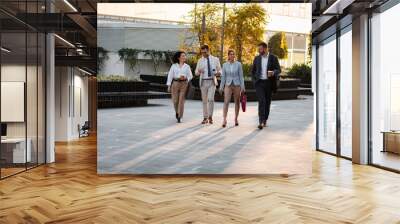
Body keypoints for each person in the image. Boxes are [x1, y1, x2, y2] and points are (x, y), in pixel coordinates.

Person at [251, 42, 281, 130]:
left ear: (265, 49)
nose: (259, 51)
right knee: (262, 101)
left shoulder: (273, 58)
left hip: (269, 83)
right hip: (259, 83)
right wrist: (254, 81)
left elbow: (279, 69)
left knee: (267, 103)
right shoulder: (256, 58)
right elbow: (253, 71)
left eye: (260, 49)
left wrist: (273, 72)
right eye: (258, 49)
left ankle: (265, 119)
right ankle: (261, 121)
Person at [195, 44, 222, 124]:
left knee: (211, 99)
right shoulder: (200, 60)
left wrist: (218, 73)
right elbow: (196, 72)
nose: (203, 54)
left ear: (208, 51)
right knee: (204, 101)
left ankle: (210, 116)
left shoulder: (215, 59)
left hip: (212, 81)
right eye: (202, 53)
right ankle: (205, 117)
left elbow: (220, 70)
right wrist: (199, 71)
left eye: (205, 52)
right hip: (203, 82)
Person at [219, 50, 245, 128]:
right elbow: (223, 77)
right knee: (226, 101)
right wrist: (221, 87)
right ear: (228, 56)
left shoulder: (238, 64)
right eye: (231, 54)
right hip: (228, 85)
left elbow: (241, 76)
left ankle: (236, 119)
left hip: (237, 85)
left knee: (237, 102)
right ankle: (224, 119)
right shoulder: (224, 65)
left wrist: (243, 87)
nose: (232, 55)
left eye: (233, 54)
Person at [166, 51, 193, 123]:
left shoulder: (187, 66)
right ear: (179, 58)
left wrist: (186, 78)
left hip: (184, 84)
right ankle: (177, 112)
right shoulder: (174, 66)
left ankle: (180, 116)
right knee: (175, 101)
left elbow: (190, 76)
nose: (184, 57)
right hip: (175, 83)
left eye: (185, 56)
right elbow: (170, 76)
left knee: (181, 101)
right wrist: (169, 85)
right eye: (183, 56)